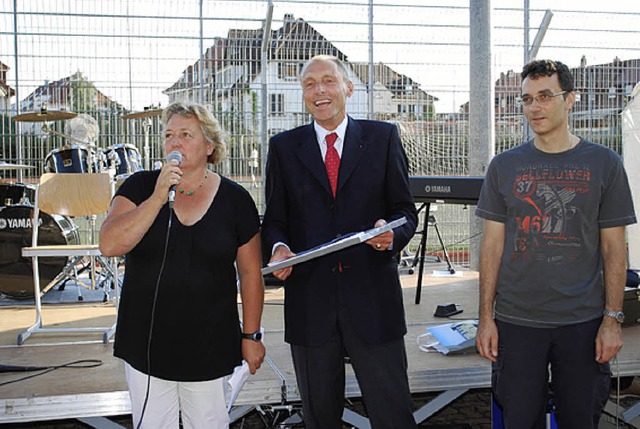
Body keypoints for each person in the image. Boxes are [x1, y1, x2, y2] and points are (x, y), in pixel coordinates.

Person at [475, 59, 637, 428]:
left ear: (570, 99)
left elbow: (615, 250)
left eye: (545, 96)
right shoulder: (504, 166)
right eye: (527, 99)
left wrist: (612, 319)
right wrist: (486, 318)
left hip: (582, 323)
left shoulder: (605, 164)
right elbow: (492, 247)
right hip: (517, 324)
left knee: (580, 420)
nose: (535, 107)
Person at [261, 54, 418, 429]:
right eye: (309, 84)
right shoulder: (283, 148)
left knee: (393, 413)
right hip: (311, 304)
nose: (319, 91)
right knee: (319, 417)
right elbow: (275, 220)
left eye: (328, 81)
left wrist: (390, 235)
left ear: (347, 88)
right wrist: (279, 248)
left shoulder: (382, 139)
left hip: (372, 301)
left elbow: (405, 213)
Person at [99, 101, 265, 429]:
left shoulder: (235, 200)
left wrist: (252, 335)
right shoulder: (139, 187)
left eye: (186, 134)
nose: (175, 142)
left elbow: (250, 273)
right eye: (170, 134)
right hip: (146, 344)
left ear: (210, 146)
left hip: (210, 345)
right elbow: (110, 244)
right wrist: (158, 197)